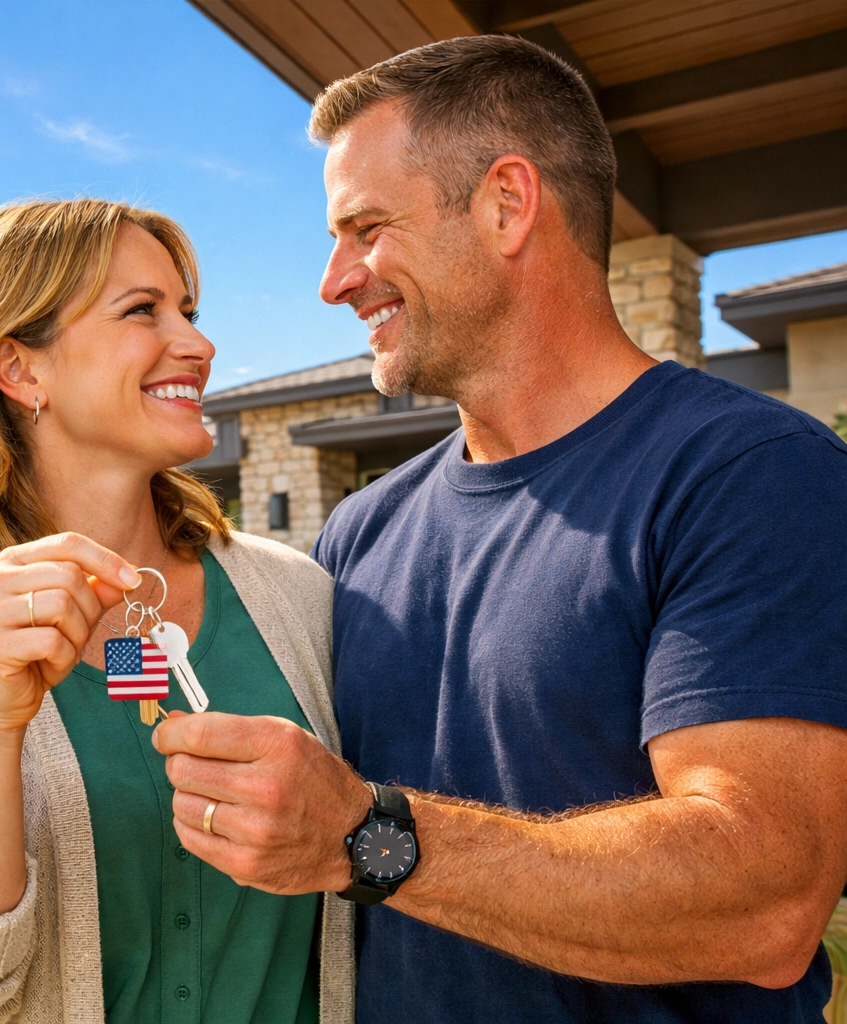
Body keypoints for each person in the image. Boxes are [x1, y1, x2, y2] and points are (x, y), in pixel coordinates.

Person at [152, 34, 847, 1024]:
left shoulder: (748, 477)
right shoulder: (360, 532)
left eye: (365, 227)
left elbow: (765, 900)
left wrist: (368, 839)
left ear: (508, 204)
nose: (334, 280)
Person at [0, 198, 357, 1023]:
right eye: (142, 310)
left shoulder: (299, 596)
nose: (199, 344)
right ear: (19, 369)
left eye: (188, 311)